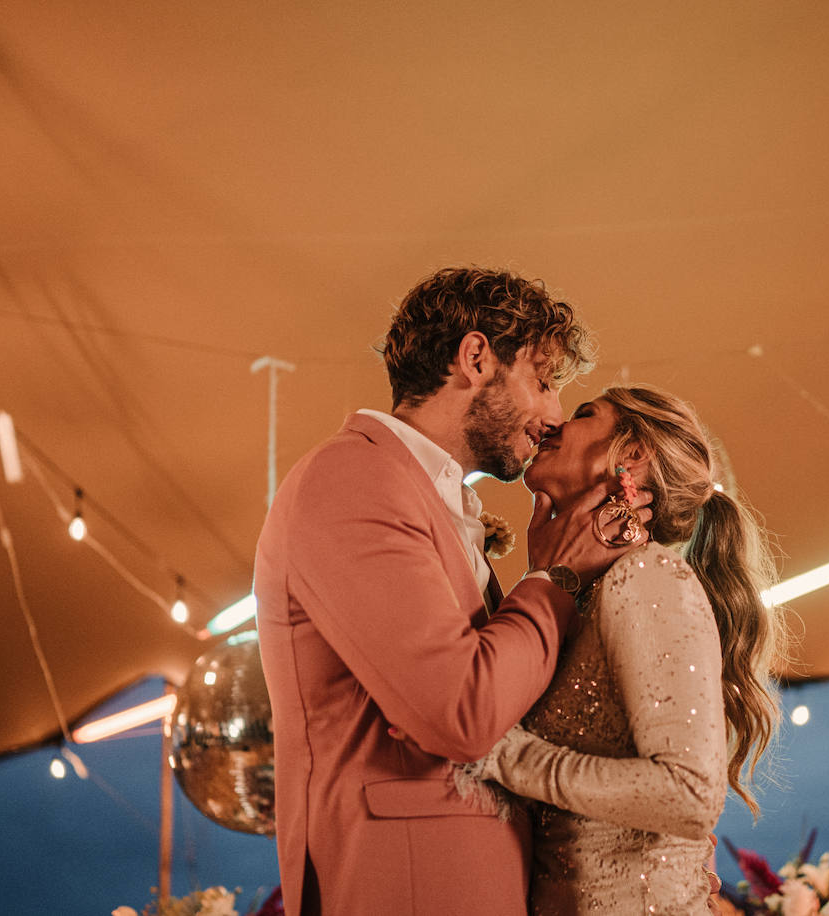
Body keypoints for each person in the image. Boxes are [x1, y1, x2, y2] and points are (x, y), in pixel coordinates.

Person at [253, 267, 651, 915]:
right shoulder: (350, 477)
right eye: (544, 381)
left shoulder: (431, 496)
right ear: (475, 358)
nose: (553, 416)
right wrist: (552, 579)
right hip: (405, 883)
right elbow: (458, 712)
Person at [462, 385, 788, 915]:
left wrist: (502, 753)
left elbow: (688, 793)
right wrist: (547, 577)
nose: (552, 425)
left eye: (584, 414)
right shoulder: (585, 597)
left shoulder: (647, 576)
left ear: (631, 457)